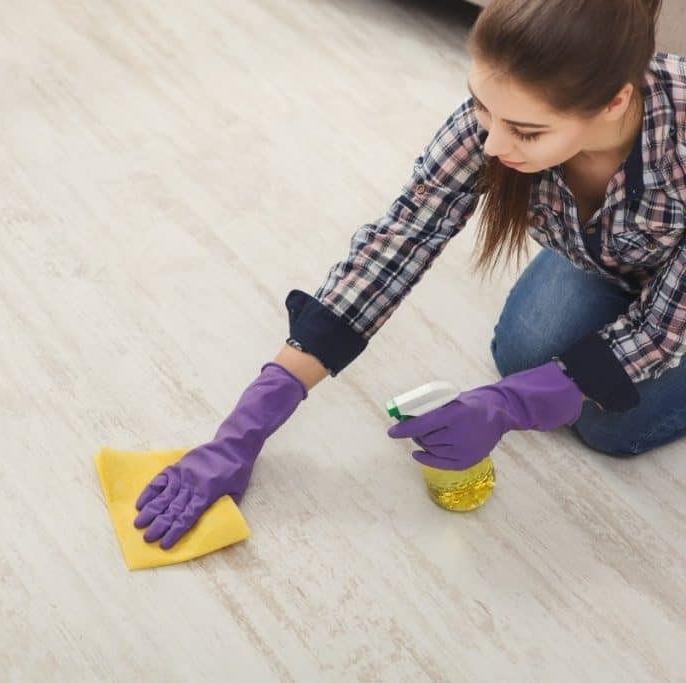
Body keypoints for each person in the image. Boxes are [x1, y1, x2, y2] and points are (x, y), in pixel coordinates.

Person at [134, 0, 686, 550]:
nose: (492, 144)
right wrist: (244, 428)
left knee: (610, 427)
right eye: (482, 109)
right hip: (617, 259)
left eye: (526, 132)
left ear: (615, 103)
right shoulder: (505, 110)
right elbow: (399, 241)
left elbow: (661, 332)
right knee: (525, 357)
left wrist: (510, 404)